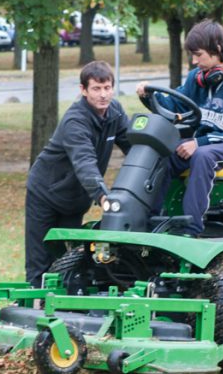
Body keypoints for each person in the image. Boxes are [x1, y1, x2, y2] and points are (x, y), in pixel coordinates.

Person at [136, 19, 223, 237]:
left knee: (202, 156)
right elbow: (175, 106)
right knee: (164, 154)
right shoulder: (198, 78)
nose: (194, 61)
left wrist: (199, 143)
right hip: (204, 144)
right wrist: (150, 97)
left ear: (218, 50)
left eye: (199, 55)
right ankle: (148, 221)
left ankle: (192, 229)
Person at [25, 61, 130, 288]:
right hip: (46, 193)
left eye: (107, 88)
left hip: (75, 200)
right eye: (96, 89)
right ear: (83, 90)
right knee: (40, 260)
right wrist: (104, 197)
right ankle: (30, 307)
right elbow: (85, 162)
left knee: (69, 261)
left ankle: (65, 309)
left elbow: (134, 147)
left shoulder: (115, 113)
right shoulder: (76, 121)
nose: (103, 95)